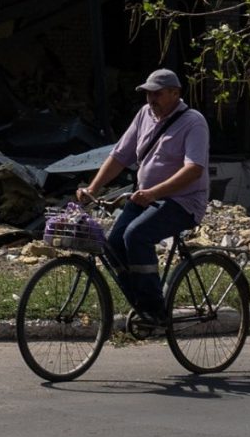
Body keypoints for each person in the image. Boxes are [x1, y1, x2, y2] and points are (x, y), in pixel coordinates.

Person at [79, 68, 210, 330]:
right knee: (113, 242)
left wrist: (154, 192)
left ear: (175, 93)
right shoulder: (144, 115)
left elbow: (194, 169)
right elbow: (119, 156)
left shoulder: (193, 122)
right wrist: (92, 189)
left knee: (136, 235)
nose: (151, 100)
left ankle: (155, 310)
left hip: (183, 202)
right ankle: (140, 302)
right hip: (146, 197)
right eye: (148, 94)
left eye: (157, 94)